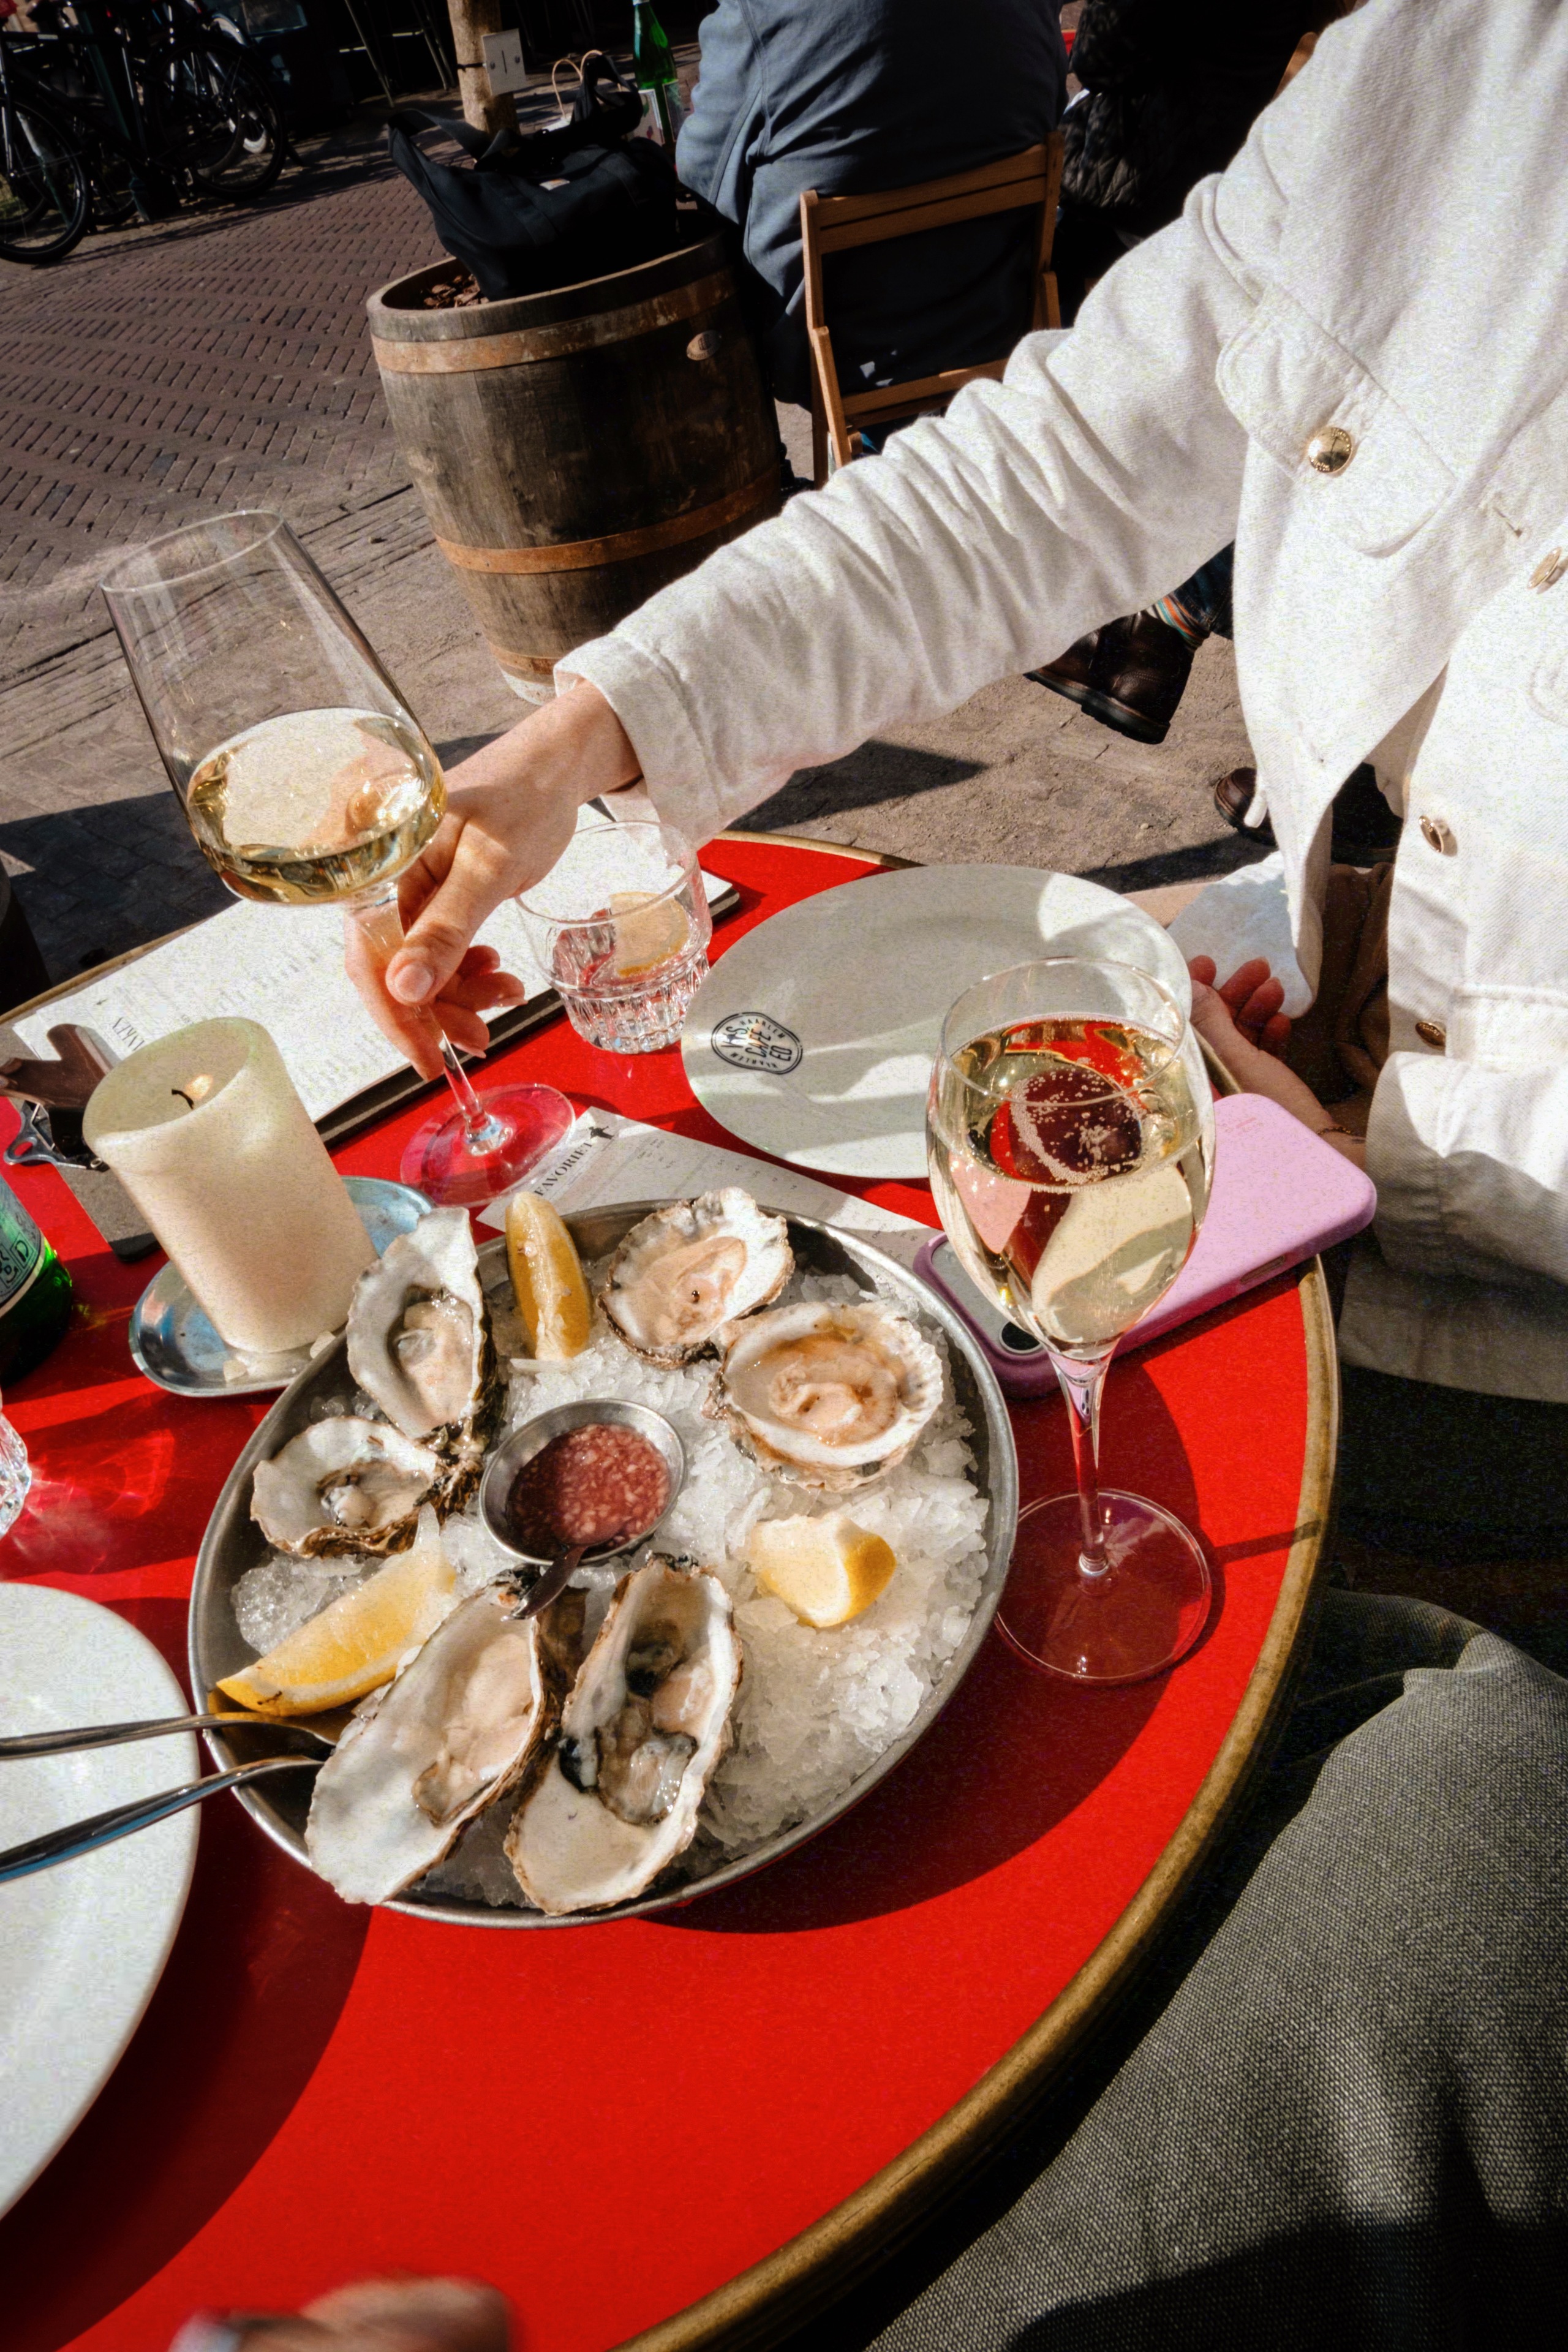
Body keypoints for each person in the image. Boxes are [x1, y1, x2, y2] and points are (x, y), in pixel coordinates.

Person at [672, 0, 1068, 413]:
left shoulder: (762, 15)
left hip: (850, 369)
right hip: (1012, 335)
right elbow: (1054, 112)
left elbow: (702, 173)